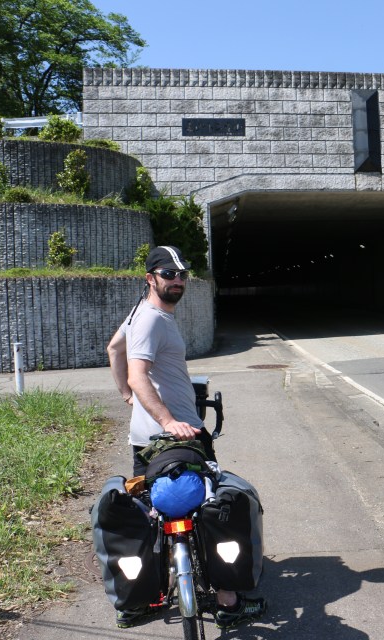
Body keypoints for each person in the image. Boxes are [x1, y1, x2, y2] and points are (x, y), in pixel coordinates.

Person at [106, 245, 266, 630]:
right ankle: (228, 602)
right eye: (168, 274)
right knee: (213, 511)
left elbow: (114, 349)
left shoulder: (139, 314)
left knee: (149, 516)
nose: (177, 280)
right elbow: (137, 374)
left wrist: (129, 400)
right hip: (179, 436)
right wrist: (167, 418)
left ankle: (137, 601)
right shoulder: (151, 321)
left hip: (145, 439)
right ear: (150, 278)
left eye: (182, 274)